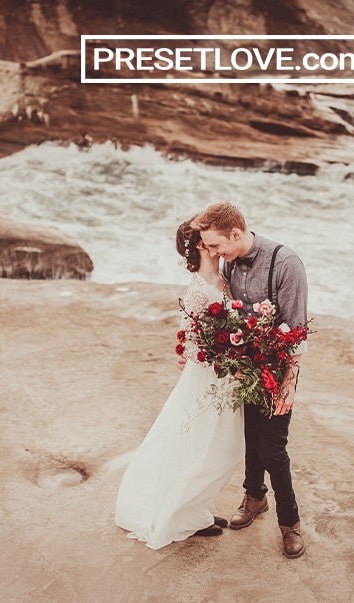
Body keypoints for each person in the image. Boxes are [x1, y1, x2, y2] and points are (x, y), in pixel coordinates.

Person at [114, 219, 244, 550]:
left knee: (223, 447)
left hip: (226, 376)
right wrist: (225, 359)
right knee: (203, 447)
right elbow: (191, 343)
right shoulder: (198, 289)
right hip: (208, 378)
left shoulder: (224, 277)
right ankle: (182, 514)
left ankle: (194, 509)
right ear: (201, 244)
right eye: (208, 237)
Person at [190, 201, 309, 559]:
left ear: (236, 234)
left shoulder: (285, 264)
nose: (212, 253)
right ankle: (255, 496)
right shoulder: (229, 261)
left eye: (214, 245)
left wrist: (288, 385)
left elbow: (299, 331)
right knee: (250, 435)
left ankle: (290, 523)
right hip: (245, 368)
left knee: (273, 448)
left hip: (278, 371)